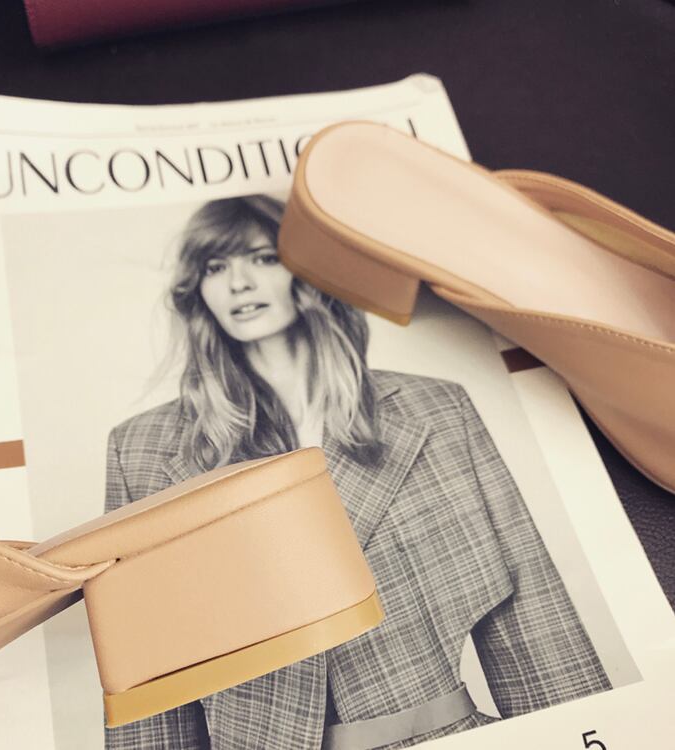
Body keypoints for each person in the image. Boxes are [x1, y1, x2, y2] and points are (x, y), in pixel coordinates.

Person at [104, 195, 611, 750]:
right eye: (215, 267)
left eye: (263, 258)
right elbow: (149, 677)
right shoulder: (143, 448)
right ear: (197, 290)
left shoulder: (436, 411)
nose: (239, 284)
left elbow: (532, 614)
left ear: (308, 272)